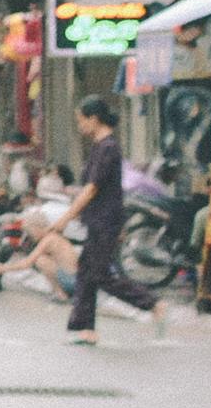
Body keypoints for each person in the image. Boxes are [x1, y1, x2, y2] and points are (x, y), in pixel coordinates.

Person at [63, 96, 169, 343]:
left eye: (81, 120)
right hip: (98, 221)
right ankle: (85, 328)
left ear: (94, 119)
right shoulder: (100, 147)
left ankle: (153, 304)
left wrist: (66, 217)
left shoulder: (108, 148)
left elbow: (91, 189)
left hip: (105, 222)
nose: (80, 126)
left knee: (101, 275)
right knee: (86, 272)